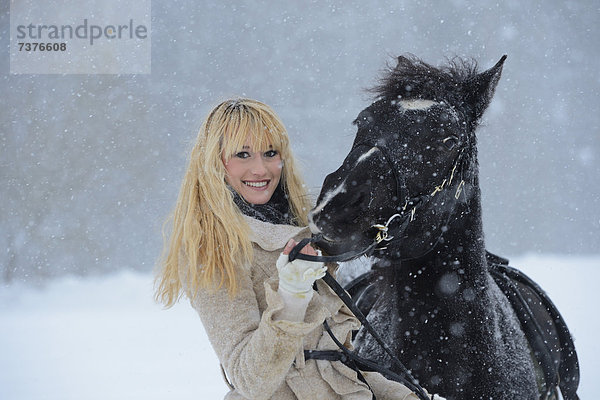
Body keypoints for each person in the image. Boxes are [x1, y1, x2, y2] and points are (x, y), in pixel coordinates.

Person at [154, 98, 441, 400]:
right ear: (216, 161)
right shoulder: (212, 250)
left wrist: (408, 396)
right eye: (242, 154)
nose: (260, 168)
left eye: (270, 153)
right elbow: (251, 380)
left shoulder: (303, 231)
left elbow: (337, 360)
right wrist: (291, 300)